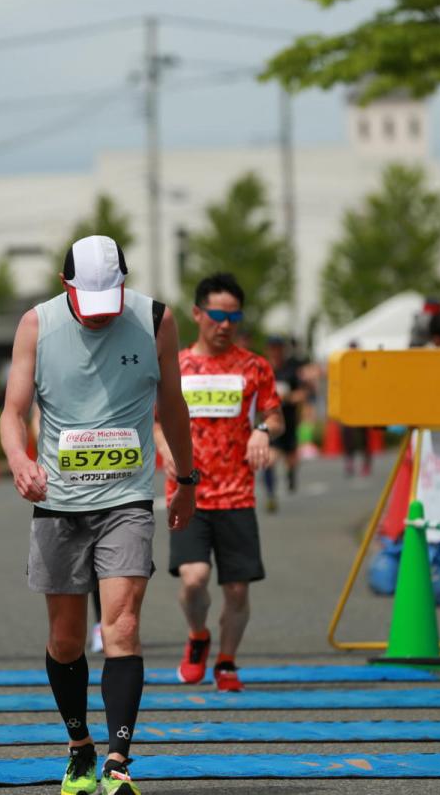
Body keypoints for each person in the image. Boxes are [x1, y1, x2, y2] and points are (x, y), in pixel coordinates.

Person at [0, 234, 196, 795]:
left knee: (123, 627)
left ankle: (117, 761)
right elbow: (12, 413)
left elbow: (172, 406)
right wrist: (19, 461)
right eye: (87, 304)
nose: (98, 316)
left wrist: (185, 479)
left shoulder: (156, 320)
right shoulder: (36, 325)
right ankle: (80, 746)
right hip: (58, 502)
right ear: (67, 287)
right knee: (65, 641)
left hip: (127, 500)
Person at [154, 273, 283, 693]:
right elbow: (155, 422)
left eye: (233, 316)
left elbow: (275, 415)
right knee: (193, 580)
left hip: (237, 495)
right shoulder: (176, 365)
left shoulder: (254, 366)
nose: (225, 324)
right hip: (188, 494)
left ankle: (226, 661)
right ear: (197, 314)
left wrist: (262, 430)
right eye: (216, 315)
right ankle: (198, 636)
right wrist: (167, 452)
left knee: (237, 590)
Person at [263, 336, 308, 508]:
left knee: (291, 459)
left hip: (288, 422)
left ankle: (291, 475)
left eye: (279, 348)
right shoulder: (263, 369)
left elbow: (302, 394)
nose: (276, 351)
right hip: (271, 422)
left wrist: (286, 397)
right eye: (272, 348)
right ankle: (271, 495)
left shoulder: (291, 370)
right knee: (268, 459)